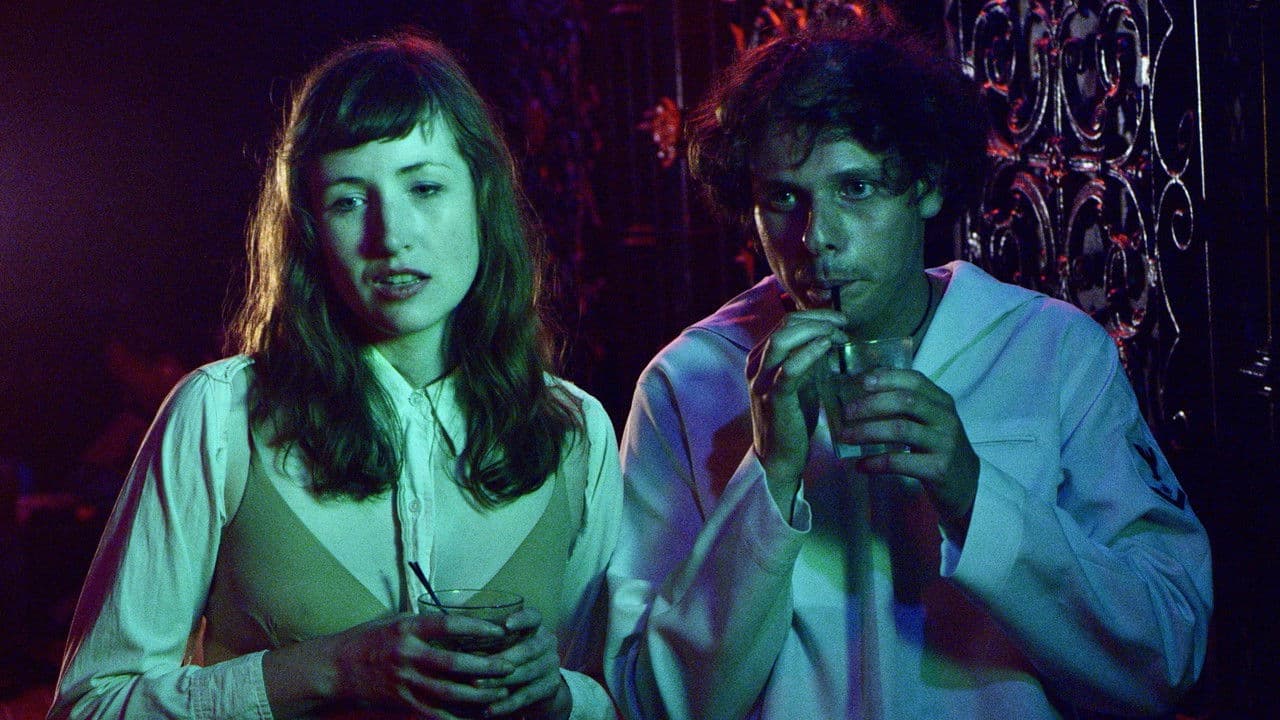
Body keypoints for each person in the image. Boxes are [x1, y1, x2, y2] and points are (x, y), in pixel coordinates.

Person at [605, 20, 1212, 720]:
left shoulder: (1052, 352)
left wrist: (973, 493)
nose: (817, 238)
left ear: (925, 185)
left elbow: (1169, 651)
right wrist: (768, 476)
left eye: (856, 188)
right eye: (784, 198)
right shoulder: (686, 381)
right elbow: (645, 700)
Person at [49, 30, 621, 720]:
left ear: (482, 196)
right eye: (349, 200)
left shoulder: (574, 431)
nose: (391, 235)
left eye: (425, 187)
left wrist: (558, 697)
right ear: (311, 228)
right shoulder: (222, 415)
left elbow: (620, 696)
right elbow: (90, 707)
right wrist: (331, 668)